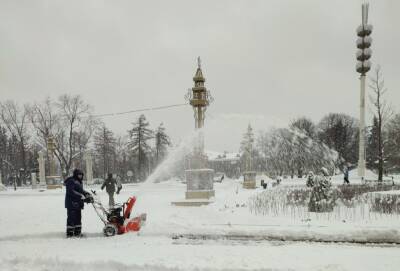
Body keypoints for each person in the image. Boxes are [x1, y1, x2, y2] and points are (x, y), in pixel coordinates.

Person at [64, 169, 93, 238]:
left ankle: (77, 232)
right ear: (76, 175)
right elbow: (71, 191)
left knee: (78, 217)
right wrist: (81, 196)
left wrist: (86, 194)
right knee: (71, 218)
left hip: (77, 203)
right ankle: (70, 233)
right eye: (79, 174)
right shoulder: (71, 181)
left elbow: (81, 190)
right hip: (71, 203)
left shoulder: (78, 181)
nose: (80, 176)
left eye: (81, 175)